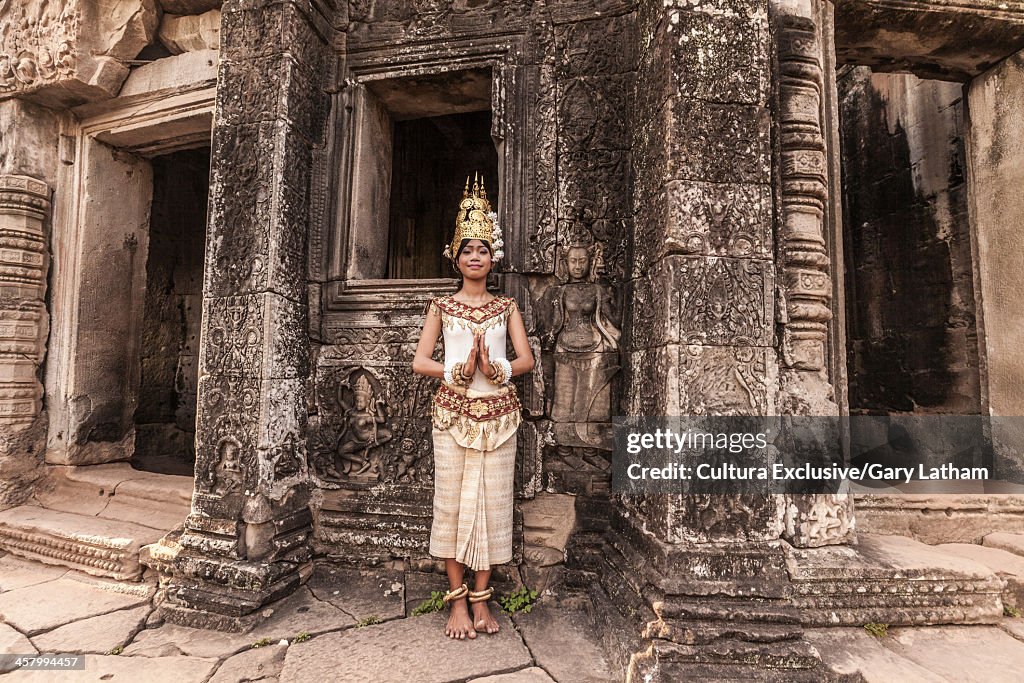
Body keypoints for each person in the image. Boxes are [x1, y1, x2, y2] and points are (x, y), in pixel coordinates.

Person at [412, 175, 534, 640]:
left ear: (492, 257)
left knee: (492, 505)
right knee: (453, 506)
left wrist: (495, 366)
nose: (475, 257)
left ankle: (483, 600)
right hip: (452, 414)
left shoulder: (506, 307)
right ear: (456, 257)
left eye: (483, 249)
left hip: (500, 416)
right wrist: (456, 371)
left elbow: (526, 360)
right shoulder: (441, 305)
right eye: (467, 250)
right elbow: (420, 360)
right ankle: (457, 602)